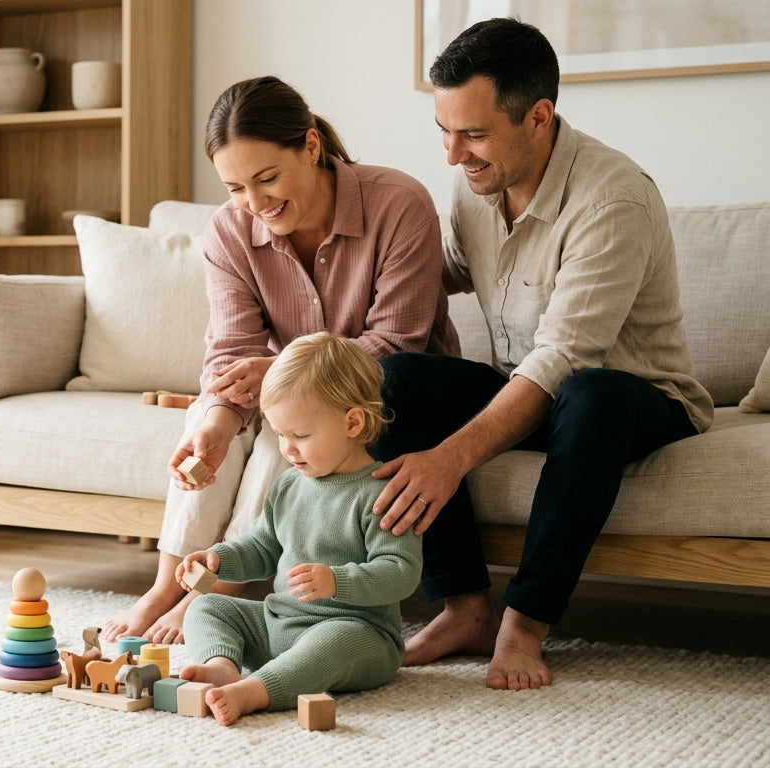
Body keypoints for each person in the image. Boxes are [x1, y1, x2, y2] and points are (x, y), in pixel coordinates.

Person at [369, 18, 714, 690]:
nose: (453, 154)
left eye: (472, 134)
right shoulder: (477, 184)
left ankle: (524, 626)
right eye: (444, 131)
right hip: (529, 394)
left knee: (588, 393)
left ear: (538, 116)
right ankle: (465, 609)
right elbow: (441, 270)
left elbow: (562, 361)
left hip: (633, 398)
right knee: (395, 380)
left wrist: (451, 457)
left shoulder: (613, 199)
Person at [102, 75, 458, 644]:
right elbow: (231, 352)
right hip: (283, 391)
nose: (255, 203)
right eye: (235, 187)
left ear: (311, 146)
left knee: (284, 440)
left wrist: (283, 370)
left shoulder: (398, 204)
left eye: (267, 178)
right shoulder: (229, 231)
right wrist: (219, 423)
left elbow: (397, 345)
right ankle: (168, 584)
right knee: (208, 423)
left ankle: (219, 589)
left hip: (381, 396)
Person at [176, 332, 422, 726]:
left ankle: (257, 691)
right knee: (207, 607)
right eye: (280, 435)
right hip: (279, 625)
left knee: (333, 641)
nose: (288, 449)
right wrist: (219, 560)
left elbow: (401, 573)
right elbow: (261, 548)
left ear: (353, 423)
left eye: (301, 436)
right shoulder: (289, 484)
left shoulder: (382, 494)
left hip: (360, 635)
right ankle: (223, 666)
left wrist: (336, 582)